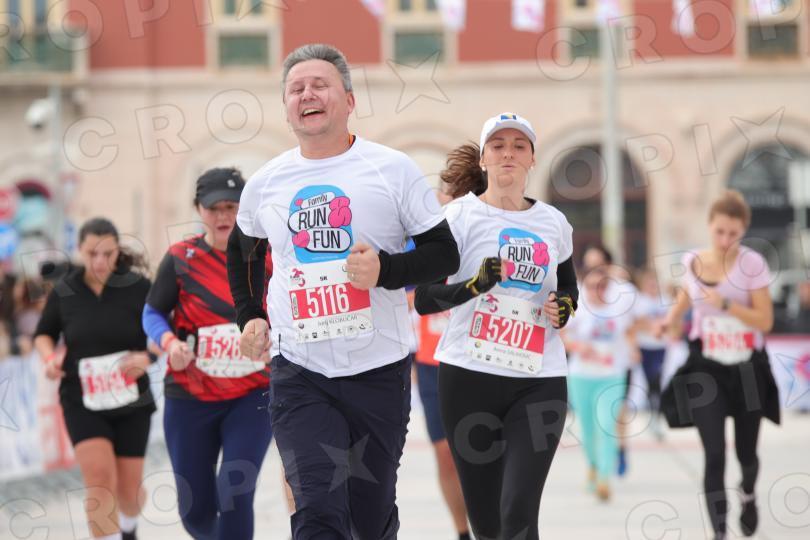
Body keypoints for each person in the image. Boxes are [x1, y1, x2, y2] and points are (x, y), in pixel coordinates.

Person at [226, 43, 459, 539]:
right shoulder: (266, 182)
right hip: (300, 371)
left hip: (379, 369)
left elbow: (444, 254)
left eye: (320, 85)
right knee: (316, 509)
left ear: (349, 100)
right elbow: (243, 251)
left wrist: (385, 270)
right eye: (296, 89)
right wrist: (250, 315)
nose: (307, 95)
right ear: (286, 106)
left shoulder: (392, 169)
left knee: (369, 517)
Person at [415, 112, 577, 540]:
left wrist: (564, 307)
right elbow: (425, 298)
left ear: (532, 159)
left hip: (539, 379)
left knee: (518, 512)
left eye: (519, 146)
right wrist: (474, 284)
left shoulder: (554, 223)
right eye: (498, 146)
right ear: (483, 159)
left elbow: (568, 289)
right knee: (487, 524)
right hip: (469, 378)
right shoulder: (457, 217)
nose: (508, 153)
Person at [141, 167, 273, 539]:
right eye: (214, 208)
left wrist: (276, 343)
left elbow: (289, 311)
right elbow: (152, 312)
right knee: (195, 511)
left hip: (252, 394)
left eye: (231, 207)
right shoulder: (181, 258)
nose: (223, 216)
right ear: (198, 209)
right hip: (190, 396)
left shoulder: (267, 258)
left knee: (235, 492)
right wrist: (170, 343)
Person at [659, 190, 780, 540]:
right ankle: (719, 533)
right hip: (706, 367)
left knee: (746, 453)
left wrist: (727, 305)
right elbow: (687, 295)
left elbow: (765, 320)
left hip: (747, 368)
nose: (726, 240)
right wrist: (669, 320)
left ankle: (748, 492)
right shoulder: (693, 260)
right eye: (720, 231)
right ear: (709, 225)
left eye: (733, 233)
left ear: (743, 231)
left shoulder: (752, 265)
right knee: (714, 454)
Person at [34, 218, 155, 540]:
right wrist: (49, 359)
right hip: (82, 398)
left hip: (132, 398)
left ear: (118, 251)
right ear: (79, 250)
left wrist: (149, 357)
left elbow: (161, 330)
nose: (99, 261)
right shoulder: (65, 290)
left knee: (129, 493)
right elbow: (43, 334)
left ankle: (128, 528)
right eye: (91, 253)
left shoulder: (139, 287)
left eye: (107, 253)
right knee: (99, 480)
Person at [409, 191, 470, 540]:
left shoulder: (480, 239)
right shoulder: (421, 245)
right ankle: (463, 532)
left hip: (474, 360)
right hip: (432, 364)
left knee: (479, 453)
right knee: (446, 453)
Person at [562, 266, 639, 501]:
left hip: (611, 376)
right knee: (587, 429)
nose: (598, 291)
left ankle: (605, 478)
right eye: (592, 286)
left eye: (603, 286)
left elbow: (630, 331)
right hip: (582, 376)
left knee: (607, 425)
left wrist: (633, 348)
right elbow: (561, 334)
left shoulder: (618, 309)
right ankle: (593, 466)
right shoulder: (578, 308)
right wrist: (578, 346)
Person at [579, 243, 637, 475]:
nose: (594, 269)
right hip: (587, 368)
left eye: (599, 264)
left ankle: (619, 450)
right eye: (589, 265)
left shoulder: (623, 291)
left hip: (617, 364)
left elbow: (633, 323)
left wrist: (633, 346)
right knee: (592, 419)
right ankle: (598, 462)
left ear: (609, 264)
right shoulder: (581, 289)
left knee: (615, 413)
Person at [632, 267, 672, 439]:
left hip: (661, 347)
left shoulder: (665, 300)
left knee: (658, 380)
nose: (652, 285)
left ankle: (656, 416)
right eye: (649, 282)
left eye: (654, 281)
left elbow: (672, 322)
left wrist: (657, 325)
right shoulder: (639, 301)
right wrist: (652, 325)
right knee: (649, 381)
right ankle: (651, 414)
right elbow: (635, 324)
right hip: (644, 346)